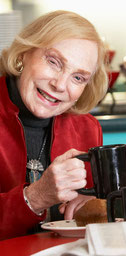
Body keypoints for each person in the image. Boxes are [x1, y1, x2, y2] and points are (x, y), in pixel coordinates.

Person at [0, 10, 108, 241]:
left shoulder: (87, 129)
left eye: (78, 78)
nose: (60, 85)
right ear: (24, 54)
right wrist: (35, 197)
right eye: (54, 62)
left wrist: (93, 207)